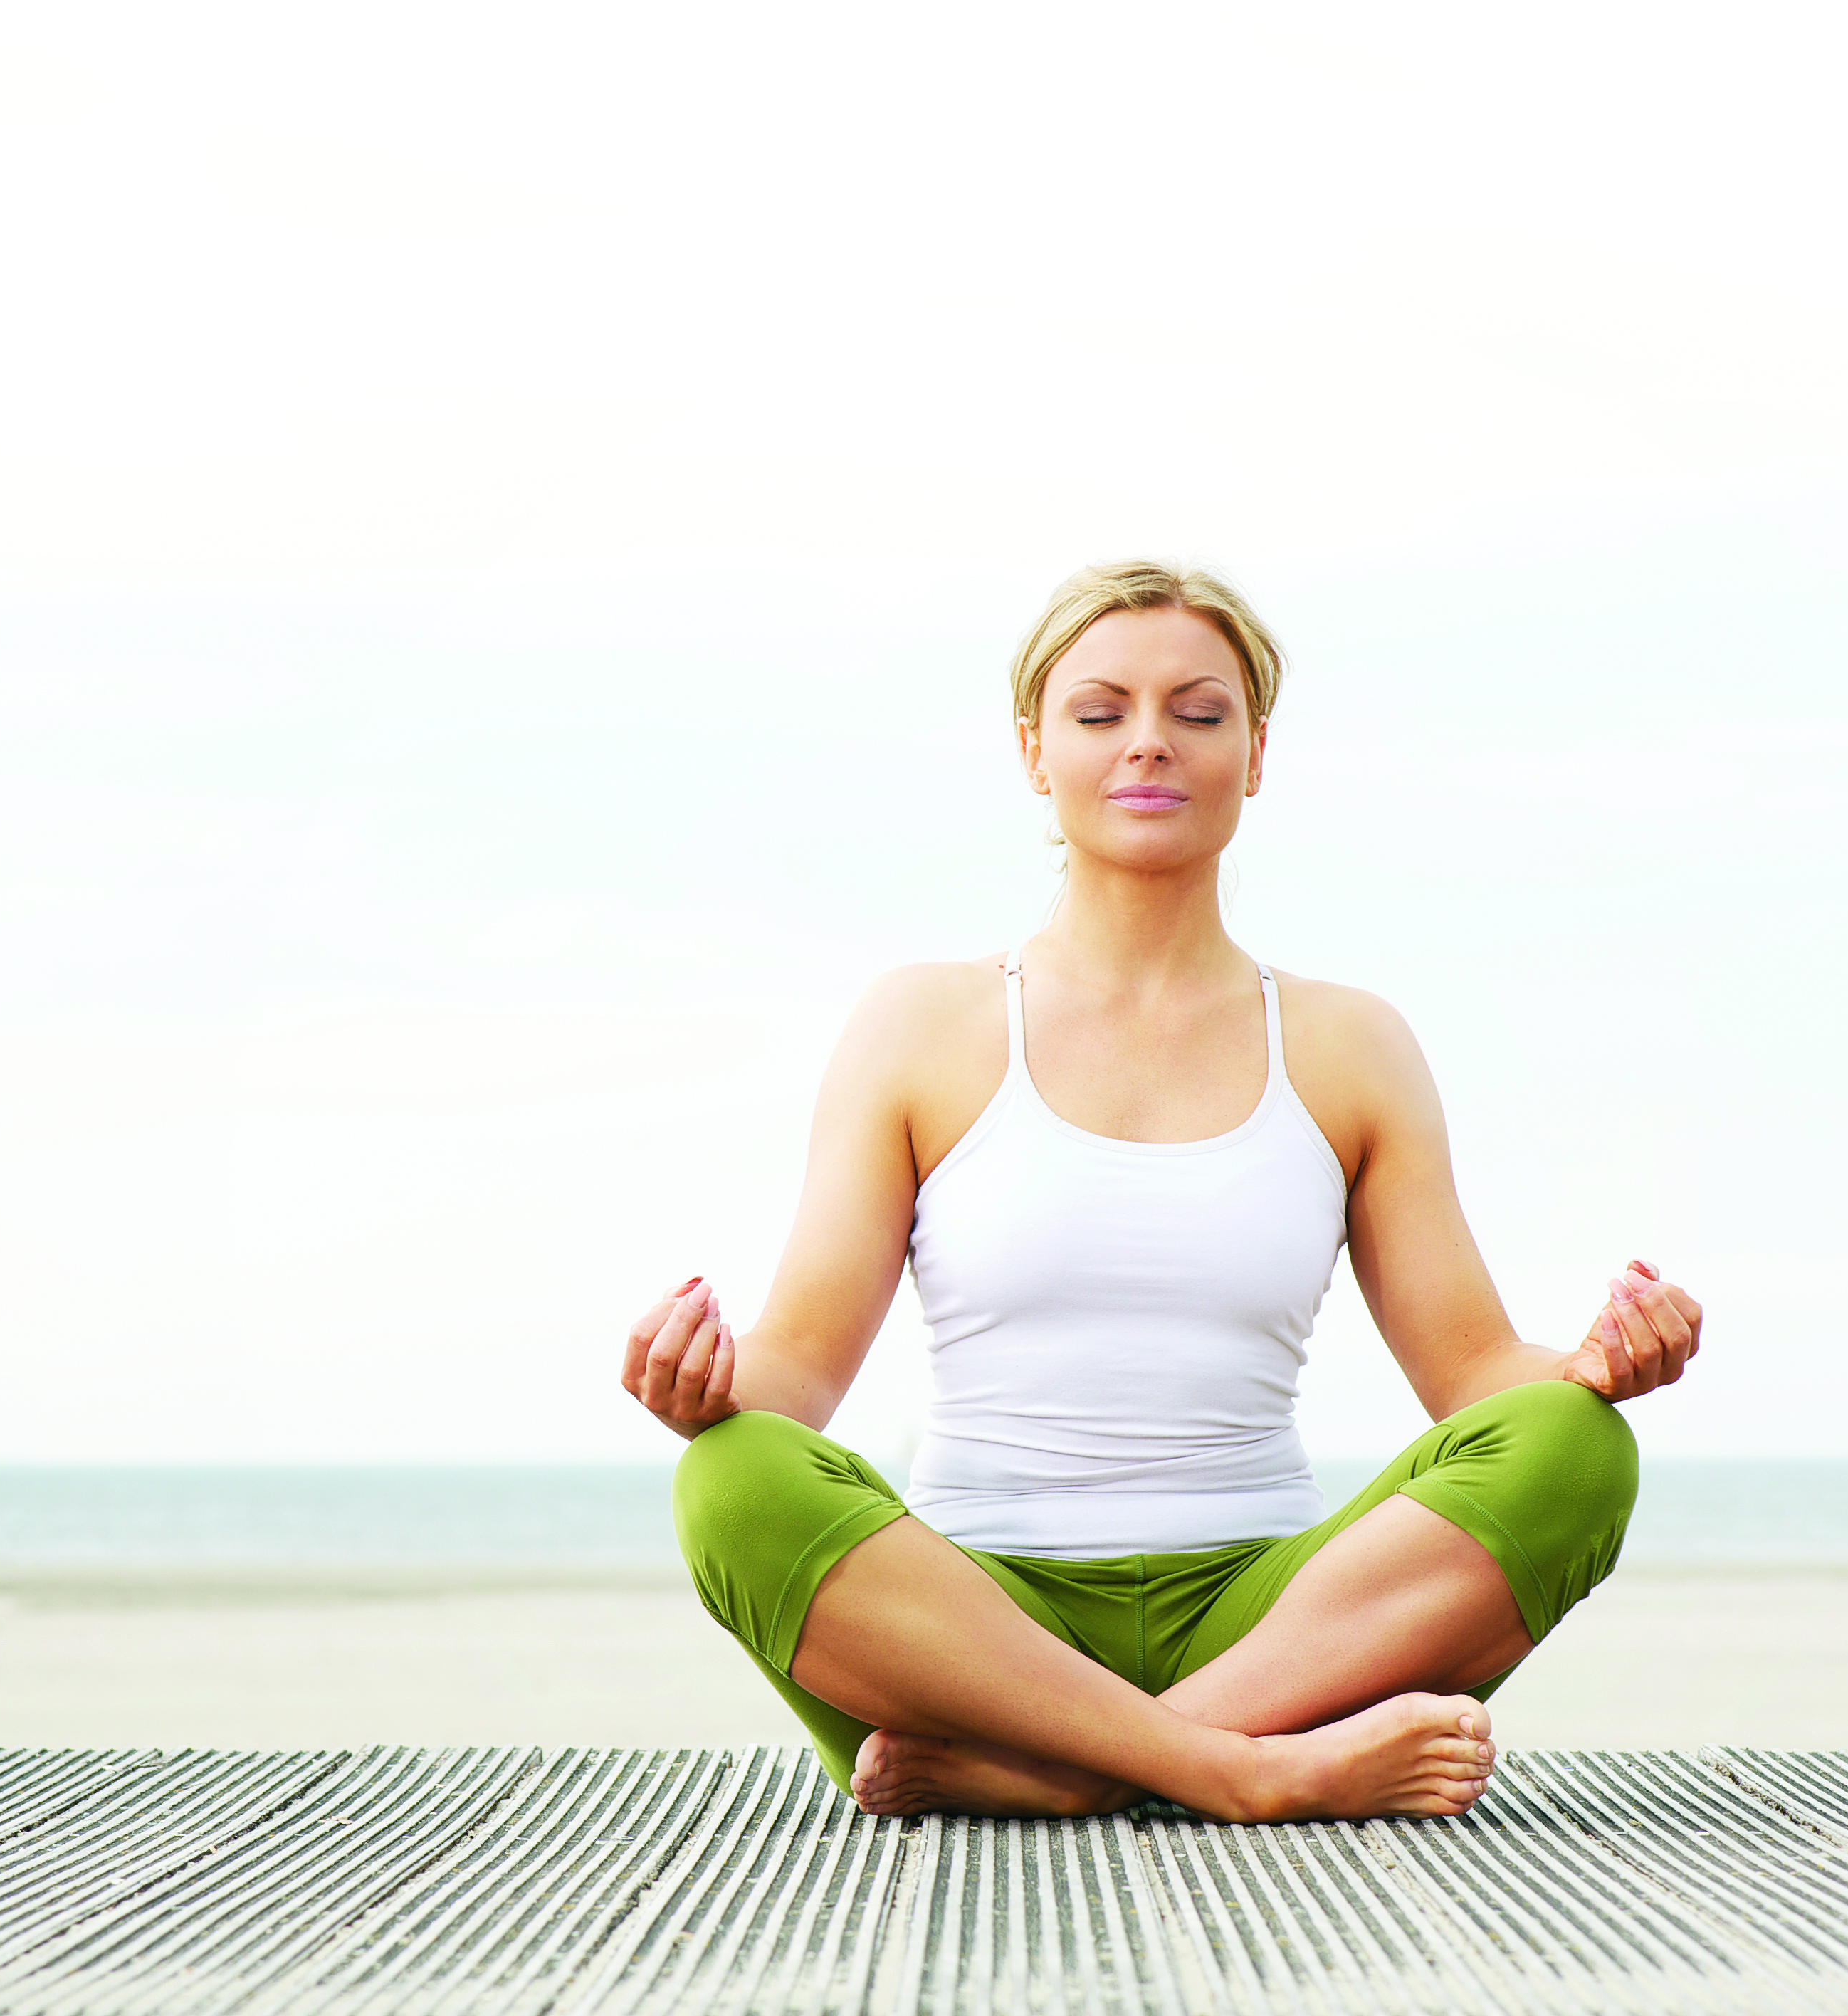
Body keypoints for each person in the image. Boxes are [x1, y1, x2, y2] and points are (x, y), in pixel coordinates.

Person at [620, 561, 1702, 1824]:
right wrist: (695, 1387)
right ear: (1035, 750)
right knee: (730, 1481)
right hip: (975, 1625)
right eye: (1099, 713)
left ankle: (1069, 1774)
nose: (1150, 744)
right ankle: (1240, 1772)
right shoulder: (922, 1025)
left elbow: (1470, 1371)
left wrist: (1598, 1364)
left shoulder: (1351, 1044)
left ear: (1255, 754)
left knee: (1575, 1450)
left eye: (1199, 713)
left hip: (1277, 1626)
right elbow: (797, 1367)